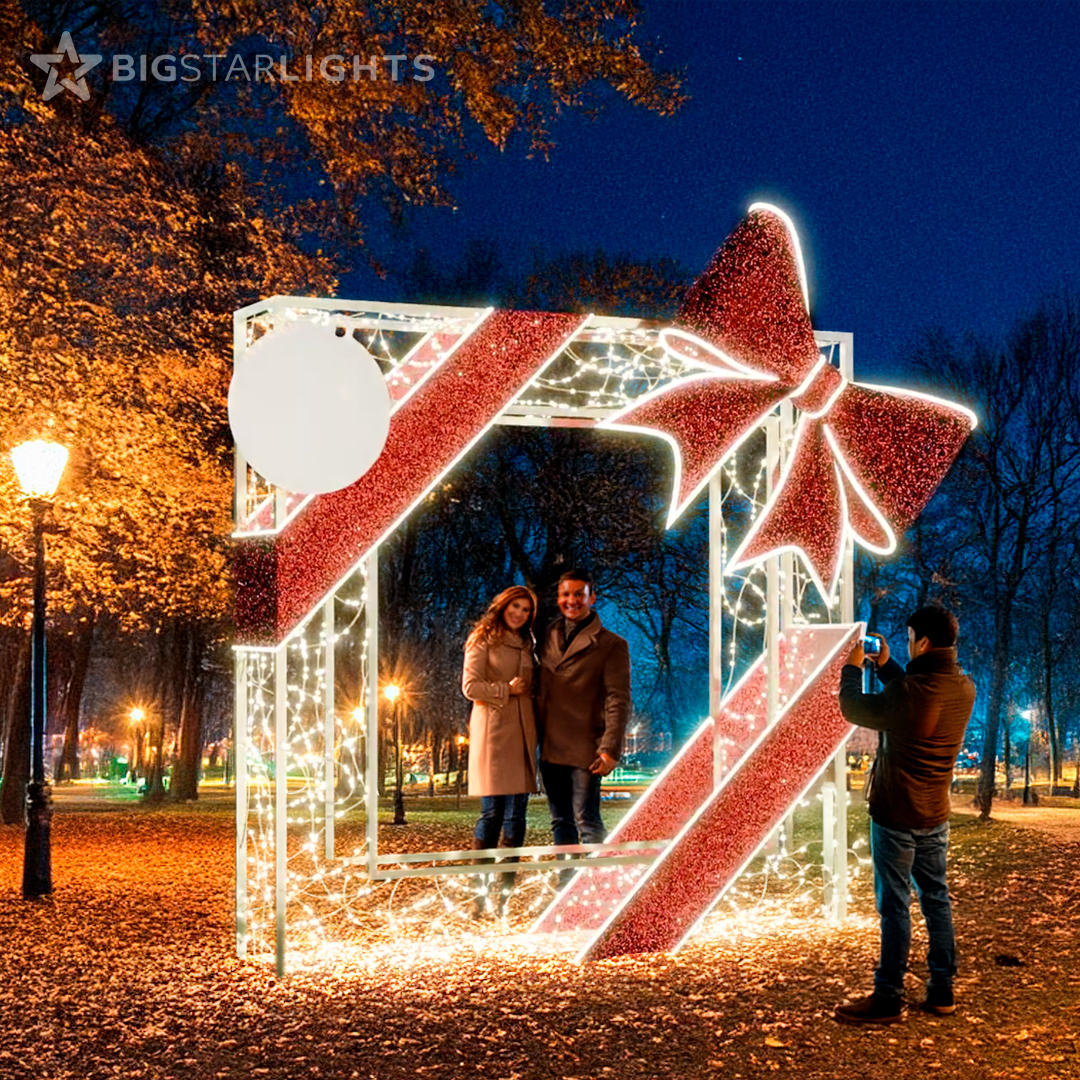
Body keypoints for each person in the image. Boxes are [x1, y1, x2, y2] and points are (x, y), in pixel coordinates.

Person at [833, 604, 976, 1025]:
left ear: (924, 642)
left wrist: (852, 667)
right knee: (937, 900)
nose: (910, 642)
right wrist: (888, 664)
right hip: (936, 814)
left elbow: (853, 707)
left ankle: (888, 996)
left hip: (896, 814)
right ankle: (941, 990)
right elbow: (913, 696)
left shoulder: (908, 693)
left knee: (895, 906)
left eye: (912, 637)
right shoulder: (963, 687)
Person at [537, 569, 631, 872]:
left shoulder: (611, 645)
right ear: (558, 597)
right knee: (560, 822)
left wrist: (610, 749)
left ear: (593, 597)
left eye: (579, 594)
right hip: (550, 747)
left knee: (587, 821)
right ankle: (566, 889)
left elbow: (618, 698)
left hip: (587, 749)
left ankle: (595, 893)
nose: (572, 600)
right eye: (566, 594)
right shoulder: (547, 636)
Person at [462, 585, 539, 916]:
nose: (519, 614)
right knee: (492, 813)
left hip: (523, 733)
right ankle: (478, 898)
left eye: (526, 610)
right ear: (503, 605)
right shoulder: (482, 639)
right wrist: (504, 690)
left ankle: (503, 898)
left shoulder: (529, 644)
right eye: (515, 607)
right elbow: (469, 686)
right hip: (493, 732)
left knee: (516, 817)